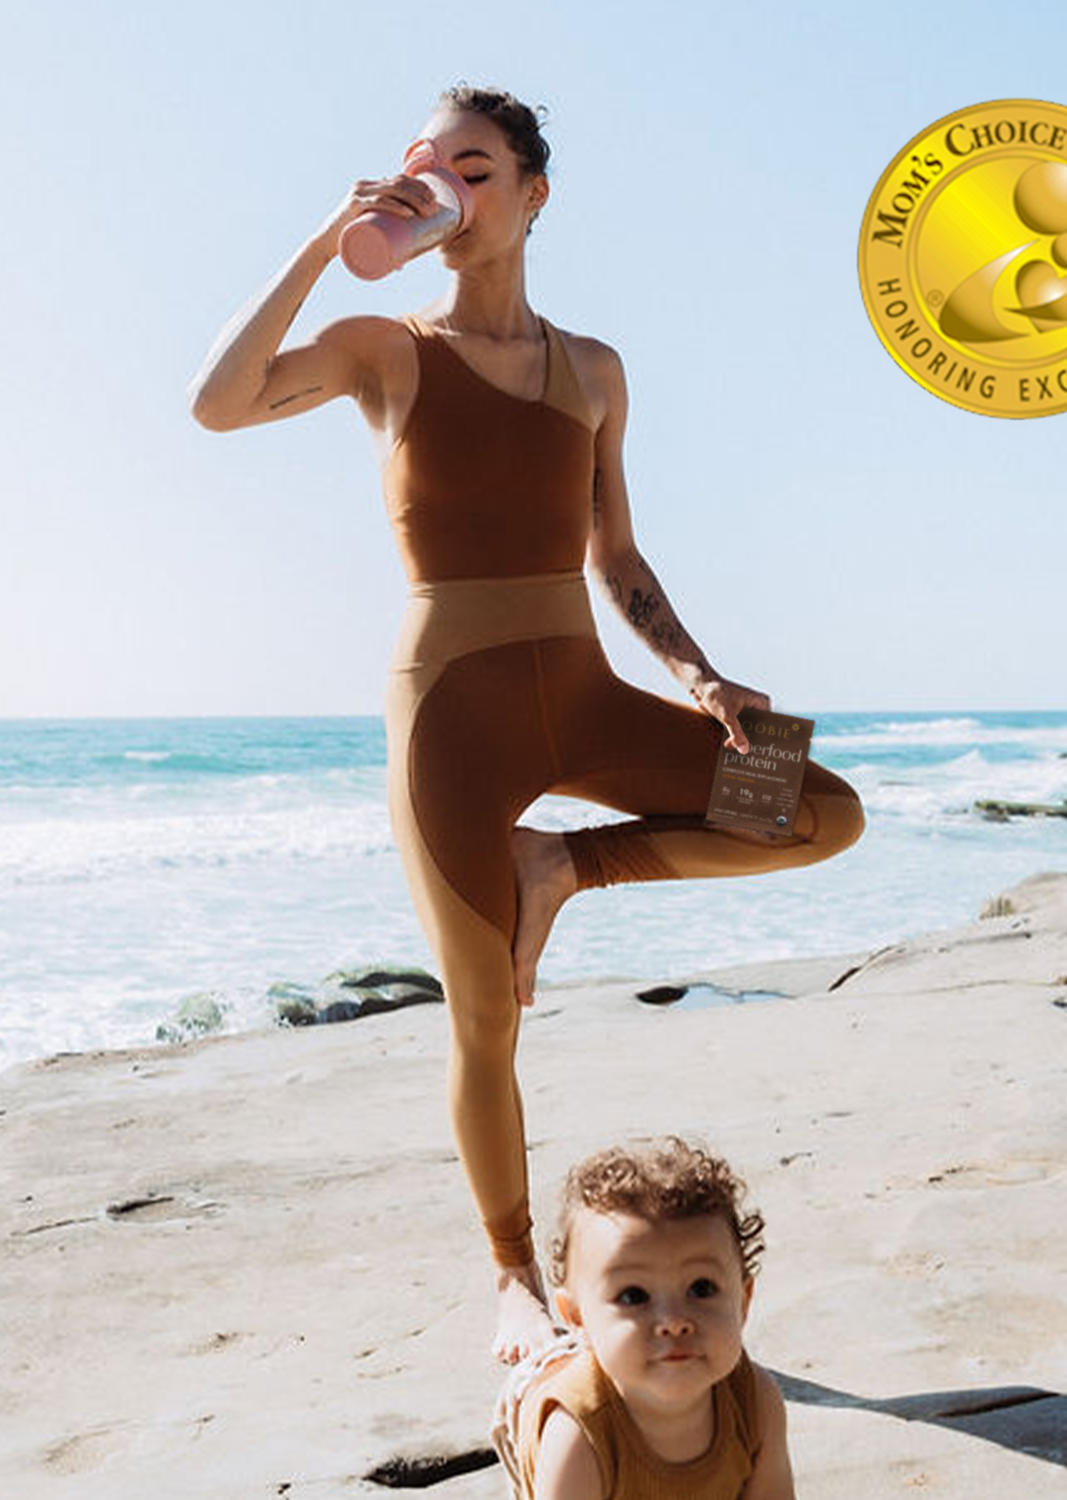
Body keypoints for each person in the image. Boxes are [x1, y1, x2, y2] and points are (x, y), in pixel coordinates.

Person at [188, 85, 864, 1363]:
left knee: (822, 809)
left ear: (532, 194)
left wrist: (702, 678)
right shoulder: (384, 350)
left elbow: (618, 556)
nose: (444, 188)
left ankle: (561, 865)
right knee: (485, 1011)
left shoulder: (594, 369)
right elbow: (218, 404)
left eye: (475, 167)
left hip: (587, 695)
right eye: (426, 165)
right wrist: (326, 236)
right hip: (450, 715)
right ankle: (510, 1275)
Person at [492, 1138, 796, 1499]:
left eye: (701, 1288)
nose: (674, 1321)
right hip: (538, 1400)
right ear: (577, 1317)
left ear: (743, 1302)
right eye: (634, 1296)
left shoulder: (755, 1403)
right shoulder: (576, 1436)